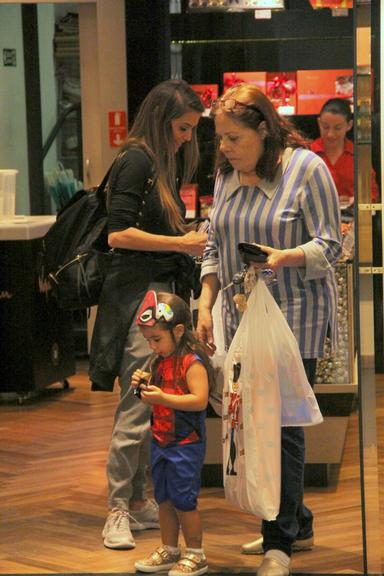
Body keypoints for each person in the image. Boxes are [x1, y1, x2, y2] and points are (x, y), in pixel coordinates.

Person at [196, 84, 342, 576]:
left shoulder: (307, 169)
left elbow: (332, 245)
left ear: (264, 129)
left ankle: (279, 541)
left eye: (235, 138)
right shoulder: (225, 175)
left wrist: (287, 256)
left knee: (280, 426)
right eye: (220, 139)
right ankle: (295, 521)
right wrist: (206, 301)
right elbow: (214, 244)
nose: (226, 148)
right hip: (243, 316)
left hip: (295, 316)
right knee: (254, 421)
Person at [89, 80, 207, 550]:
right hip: (139, 299)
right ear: (162, 120)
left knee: (152, 398)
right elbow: (118, 235)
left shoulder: (161, 161)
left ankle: (135, 501)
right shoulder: (138, 159)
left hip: (155, 296)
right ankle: (118, 507)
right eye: (182, 127)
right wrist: (181, 242)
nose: (185, 137)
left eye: (191, 130)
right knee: (138, 403)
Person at [132, 290, 211, 576]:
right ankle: (169, 548)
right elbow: (153, 397)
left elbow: (199, 400)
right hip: (160, 441)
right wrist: (143, 387)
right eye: (148, 341)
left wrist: (162, 397)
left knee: (184, 500)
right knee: (163, 497)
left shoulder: (192, 362)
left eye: (157, 339)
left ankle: (196, 552)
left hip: (185, 444)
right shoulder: (159, 361)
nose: (153, 347)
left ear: (178, 330)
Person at [311, 97, 378, 206]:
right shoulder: (308, 153)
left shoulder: (358, 155)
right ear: (319, 123)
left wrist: (355, 200)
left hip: (351, 219)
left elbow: (372, 191)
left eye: (337, 128)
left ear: (349, 125)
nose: (330, 134)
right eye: (325, 127)